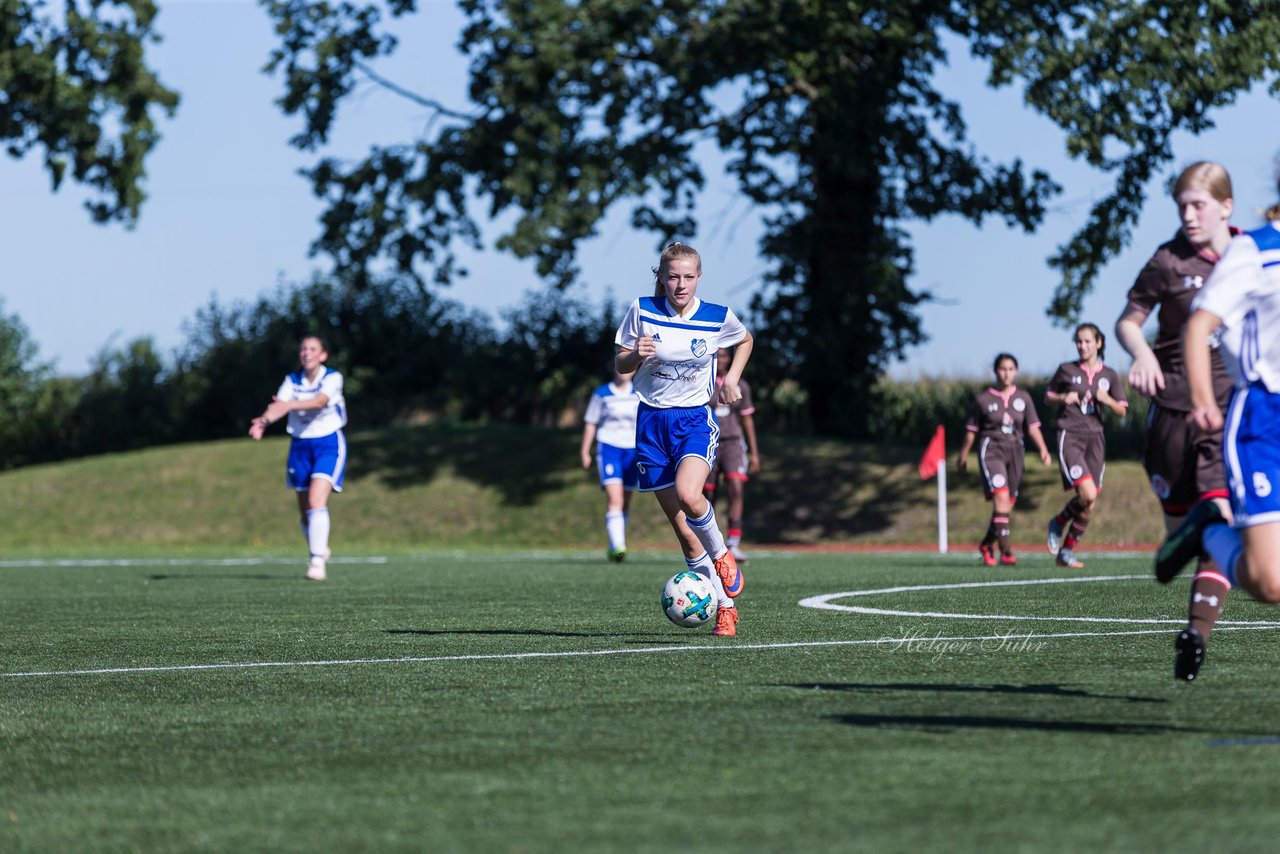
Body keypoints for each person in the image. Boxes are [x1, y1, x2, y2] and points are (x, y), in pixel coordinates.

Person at [1116, 161, 1237, 680]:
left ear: (1225, 207)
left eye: (1198, 205)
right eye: (1181, 205)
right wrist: (1140, 355)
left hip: (1227, 410)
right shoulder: (1167, 261)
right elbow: (1127, 322)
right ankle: (1193, 530)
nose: (1188, 215)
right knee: (1181, 527)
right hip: (1170, 411)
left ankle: (1195, 633)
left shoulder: (1250, 256)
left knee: (1221, 516)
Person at [1155, 179, 1280, 680]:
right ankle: (1210, 528)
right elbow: (1199, 325)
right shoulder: (1255, 249)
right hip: (1262, 422)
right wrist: (1206, 400)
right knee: (1270, 585)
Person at [615, 242, 752, 637]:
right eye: (672, 276)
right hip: (651, 424)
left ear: (699, 277)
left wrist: (732, 379)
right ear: (660, 276)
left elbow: (745, 341)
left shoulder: (716, 317)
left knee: (692, 495)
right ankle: (726, 609)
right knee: (687, 537)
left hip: (693, 420)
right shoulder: (641, 310)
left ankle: (724, 556)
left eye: (688, 277)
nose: (680, 284)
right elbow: (620, 365)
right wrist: (634, 355)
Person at [248, 335, 347, 581]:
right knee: (305, 513)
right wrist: (263, 421)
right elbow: (278, 406)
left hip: (328, 443)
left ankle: (316, 562)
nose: (307, 353)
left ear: (323, 355)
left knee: (316, 502)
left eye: (313, 349)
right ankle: (320, 546)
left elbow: (319, 401)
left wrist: (289, 405)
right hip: (300, 446)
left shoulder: (332, 377)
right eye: (303, 349)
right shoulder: (291, 381)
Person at [1043, 323, 1129, 569]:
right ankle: (1058, 522)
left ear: (1098, 343)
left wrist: (1108, 400)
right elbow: (1047, 397)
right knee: (1087, 494)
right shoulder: (1066, 370)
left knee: (1090, 503)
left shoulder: (1110, 375)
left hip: (1096, 439)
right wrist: (1062, 397)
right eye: (1079, 341)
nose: (1082, 346)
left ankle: (1066, 551)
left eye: (1087, 341)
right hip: (1070, 434)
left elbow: (1122, 410)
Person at [956, 353, 1052, 567]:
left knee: (1007, 504)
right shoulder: (983, 399)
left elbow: (1033, 426)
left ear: (1015, 371)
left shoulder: (1024, 398)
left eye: (1010, 369)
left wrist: (1043, 449)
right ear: (995, 371)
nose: (1006, 373)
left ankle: (986, 544)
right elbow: (972, 431)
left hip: (1016, 451)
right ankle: (1006, 550)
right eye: (1002, 368)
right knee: (1001, 498)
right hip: (992, 450)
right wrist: (963, 456)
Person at [703, 346, 760, 563]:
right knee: (708, 495)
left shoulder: (740, 385)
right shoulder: (702, 383)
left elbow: (747, 420)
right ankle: (710, 542)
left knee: (736, 487)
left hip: (733, 444)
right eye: (717, 356)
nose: (721, 359)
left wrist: (754, 452)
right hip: (709, 443)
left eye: (725, 355)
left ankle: (733, 543)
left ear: (730, 358)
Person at [580, 368, 641, 562]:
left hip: (632, 451)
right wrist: (584, 451)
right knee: (615, 499)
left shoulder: (639, 392)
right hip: (609, 449)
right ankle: (618, 546)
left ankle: (616, 542)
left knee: (626, 500)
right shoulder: (601, 394)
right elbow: (591, 422)